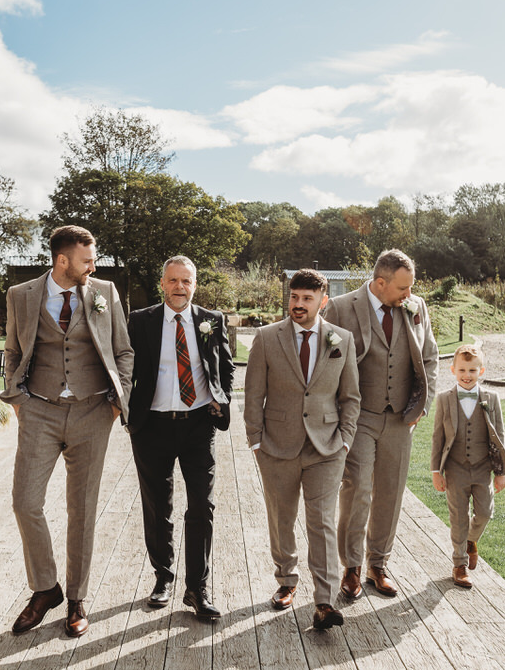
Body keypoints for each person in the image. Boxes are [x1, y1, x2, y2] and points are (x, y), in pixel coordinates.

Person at [1, 225, 133, 637]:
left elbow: (124, 351)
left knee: (83, 509)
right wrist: (18, 400)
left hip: (93, 411)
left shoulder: (104, 293)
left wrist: (115, 403)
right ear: (62, 260)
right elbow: (13, 348)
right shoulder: (20, 295)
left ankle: (76, 598)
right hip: (38, 410)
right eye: (87, 260)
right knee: (25, 502)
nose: (93, 266)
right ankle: (45, 588)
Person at [245, 268, 360, 630]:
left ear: (322, 302)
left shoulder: (342, 339)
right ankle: (286, 580)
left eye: (307, 299)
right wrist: (256, 441)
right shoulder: (266, 338)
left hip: (327, 448)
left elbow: (351, 397)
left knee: (322, 522)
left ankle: (324, 601)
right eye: (294, 297)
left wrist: (345, 440)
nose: (298, 304)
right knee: (281, 518)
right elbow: (252, 396)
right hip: (276, 446)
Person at [323, 249, 438, 599]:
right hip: (358, 418)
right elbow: (325, 365)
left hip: (401, 419)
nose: (409, 295)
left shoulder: (417, 308)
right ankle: (352, 567)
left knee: (391, 492)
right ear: (379, 282)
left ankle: (378, 565)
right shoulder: (341, 308)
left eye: (411, 287)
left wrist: (422, 406)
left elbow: (430, 358)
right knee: (357, 488)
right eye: (403, 288)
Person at [126, 256, 232, 620]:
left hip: (198, 425)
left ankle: (197, 588)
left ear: (195, 284)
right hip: (152, 426)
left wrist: (222, 398)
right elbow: (125, 368)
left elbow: (226, 365)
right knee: (158, 507)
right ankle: (163, 578)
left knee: (202, 506)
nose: (179, 287)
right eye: (173, 280)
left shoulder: (211, 321)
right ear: (162, 282)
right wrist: (125, 410)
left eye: (186, 281)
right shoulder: (141, 321)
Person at [429, 344, 505, 588]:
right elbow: (437, 437)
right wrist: (436, 471)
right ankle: (459, 564)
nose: (467, 375)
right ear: (453, 370)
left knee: (485, 512)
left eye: (472, 370)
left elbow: (499, 436)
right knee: (458, 517)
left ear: (481, 371)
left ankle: (471, 541)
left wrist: (501, 472)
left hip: (482, 466)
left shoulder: (491, 399)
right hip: (454, 468)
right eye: (462, 370)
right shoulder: (444, 399)